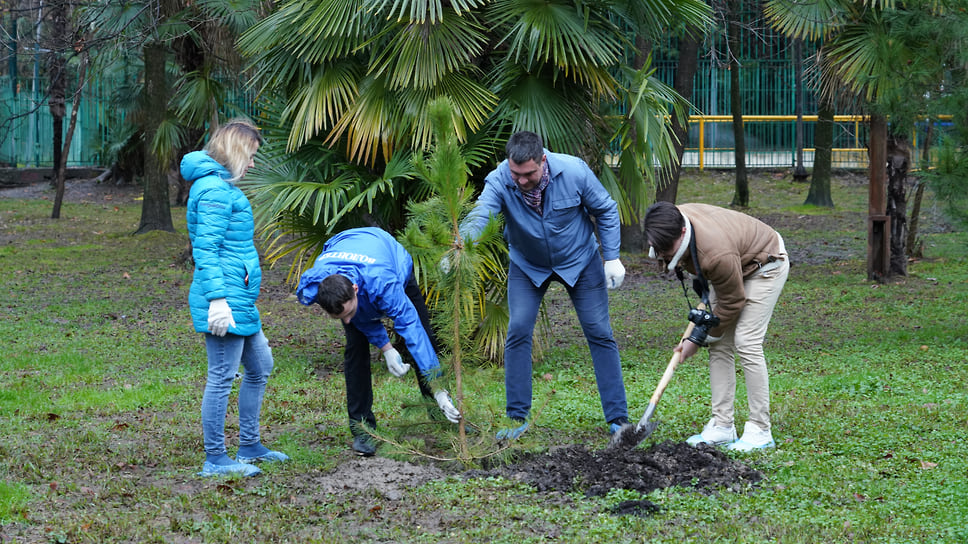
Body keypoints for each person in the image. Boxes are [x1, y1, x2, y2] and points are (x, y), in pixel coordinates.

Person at [460, 130, 629, 439]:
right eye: (516, 174)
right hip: (528, 264)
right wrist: (460, 246)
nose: (521, 181)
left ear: (543, 160)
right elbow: (482, 213)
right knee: (519, 330)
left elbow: (605, 209)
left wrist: (612, 257)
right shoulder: (501, 177)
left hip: (580, 260)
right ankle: (516, 419)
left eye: (529, 174)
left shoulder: (574, 171)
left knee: (599, 331)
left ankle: (619, 419)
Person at [183, 118, 289, 477]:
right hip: (224, 299)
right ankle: (215, 459)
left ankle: (249, 444)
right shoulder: (214, 190)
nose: (254, 164)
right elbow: (206, 249)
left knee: (260, 367)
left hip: (239, 298)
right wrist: (217, 301)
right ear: (236, 151)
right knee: (222, 376)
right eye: (252, 155)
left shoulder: (221, 188)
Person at [296, 227, 461, 457]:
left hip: (388, 256)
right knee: (356, 348)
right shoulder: (316, 285)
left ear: (354, 289)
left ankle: (440, 407)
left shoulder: (385, 284)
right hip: (344, 245)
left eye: (348, 311)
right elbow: (356, 315)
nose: (347, 320)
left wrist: (438, 387)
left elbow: (413, 332)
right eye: (340, 317)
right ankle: (362, 430)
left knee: (424, 336)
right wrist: (386, 347)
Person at [643, 201, 789, 452]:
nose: (665, 255)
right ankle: (722, 426)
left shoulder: (715, 254)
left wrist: (698, 339)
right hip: (734, 264)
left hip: (764, 263)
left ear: (681, 233)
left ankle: (760, 429)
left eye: (668, 250)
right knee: (719, 345)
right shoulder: (668, 221)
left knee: (746, 341)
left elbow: (733, 302)